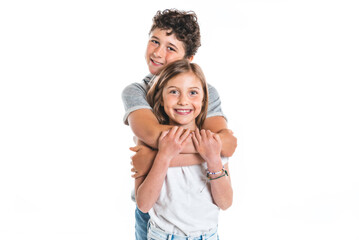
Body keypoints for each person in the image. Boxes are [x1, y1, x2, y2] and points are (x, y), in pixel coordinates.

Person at [121, 9, 237, 240]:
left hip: (199, 217)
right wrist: (207, 150)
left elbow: (225, 144)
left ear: (188, 59)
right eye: (154, 41)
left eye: (170, 48)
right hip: (155, 212)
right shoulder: (137, 91)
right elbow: (153, 134)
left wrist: (152, 159)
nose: (157, 52)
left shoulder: (204, 91)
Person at [135, 59, 232, 239]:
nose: (183, 101)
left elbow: (225, 203)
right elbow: (144, 205)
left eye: (193, 92)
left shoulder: (212, 142)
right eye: (173, 92)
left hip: (209, 235)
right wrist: (163, 156)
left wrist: (213, 160)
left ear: (204, 101)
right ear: (161, 99)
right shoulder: (148, 144)